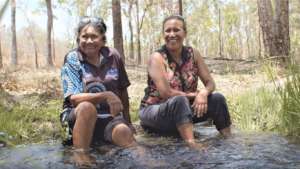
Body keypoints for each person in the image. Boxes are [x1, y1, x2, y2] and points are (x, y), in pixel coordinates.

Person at [139, 15, 231, 147]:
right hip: (155, 111)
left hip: (184, 110)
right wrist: (194, 95)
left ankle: (227, 138)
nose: (172, 34)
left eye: (176, 30)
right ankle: (191, 143)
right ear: (163, 34)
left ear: (185, 33)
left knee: (217, 99)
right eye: (168, 30)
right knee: (180, 100)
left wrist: (203, 93)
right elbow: (167, 93)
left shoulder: (193, 53)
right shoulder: (157, 57)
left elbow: (210, 83)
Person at [60, 16, 136, 164]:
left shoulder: (113, 56)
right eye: (84, 36)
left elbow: (122, 90)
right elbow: (73, 98)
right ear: (78, 38)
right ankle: (81, 157)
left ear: (102, 39)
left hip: (108, 116)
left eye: (94, 36)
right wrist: (105, 95)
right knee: (87, 108)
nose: (89, 41)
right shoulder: (72, 58)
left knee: (126, 135)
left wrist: (128, 121)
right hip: (78, 116)